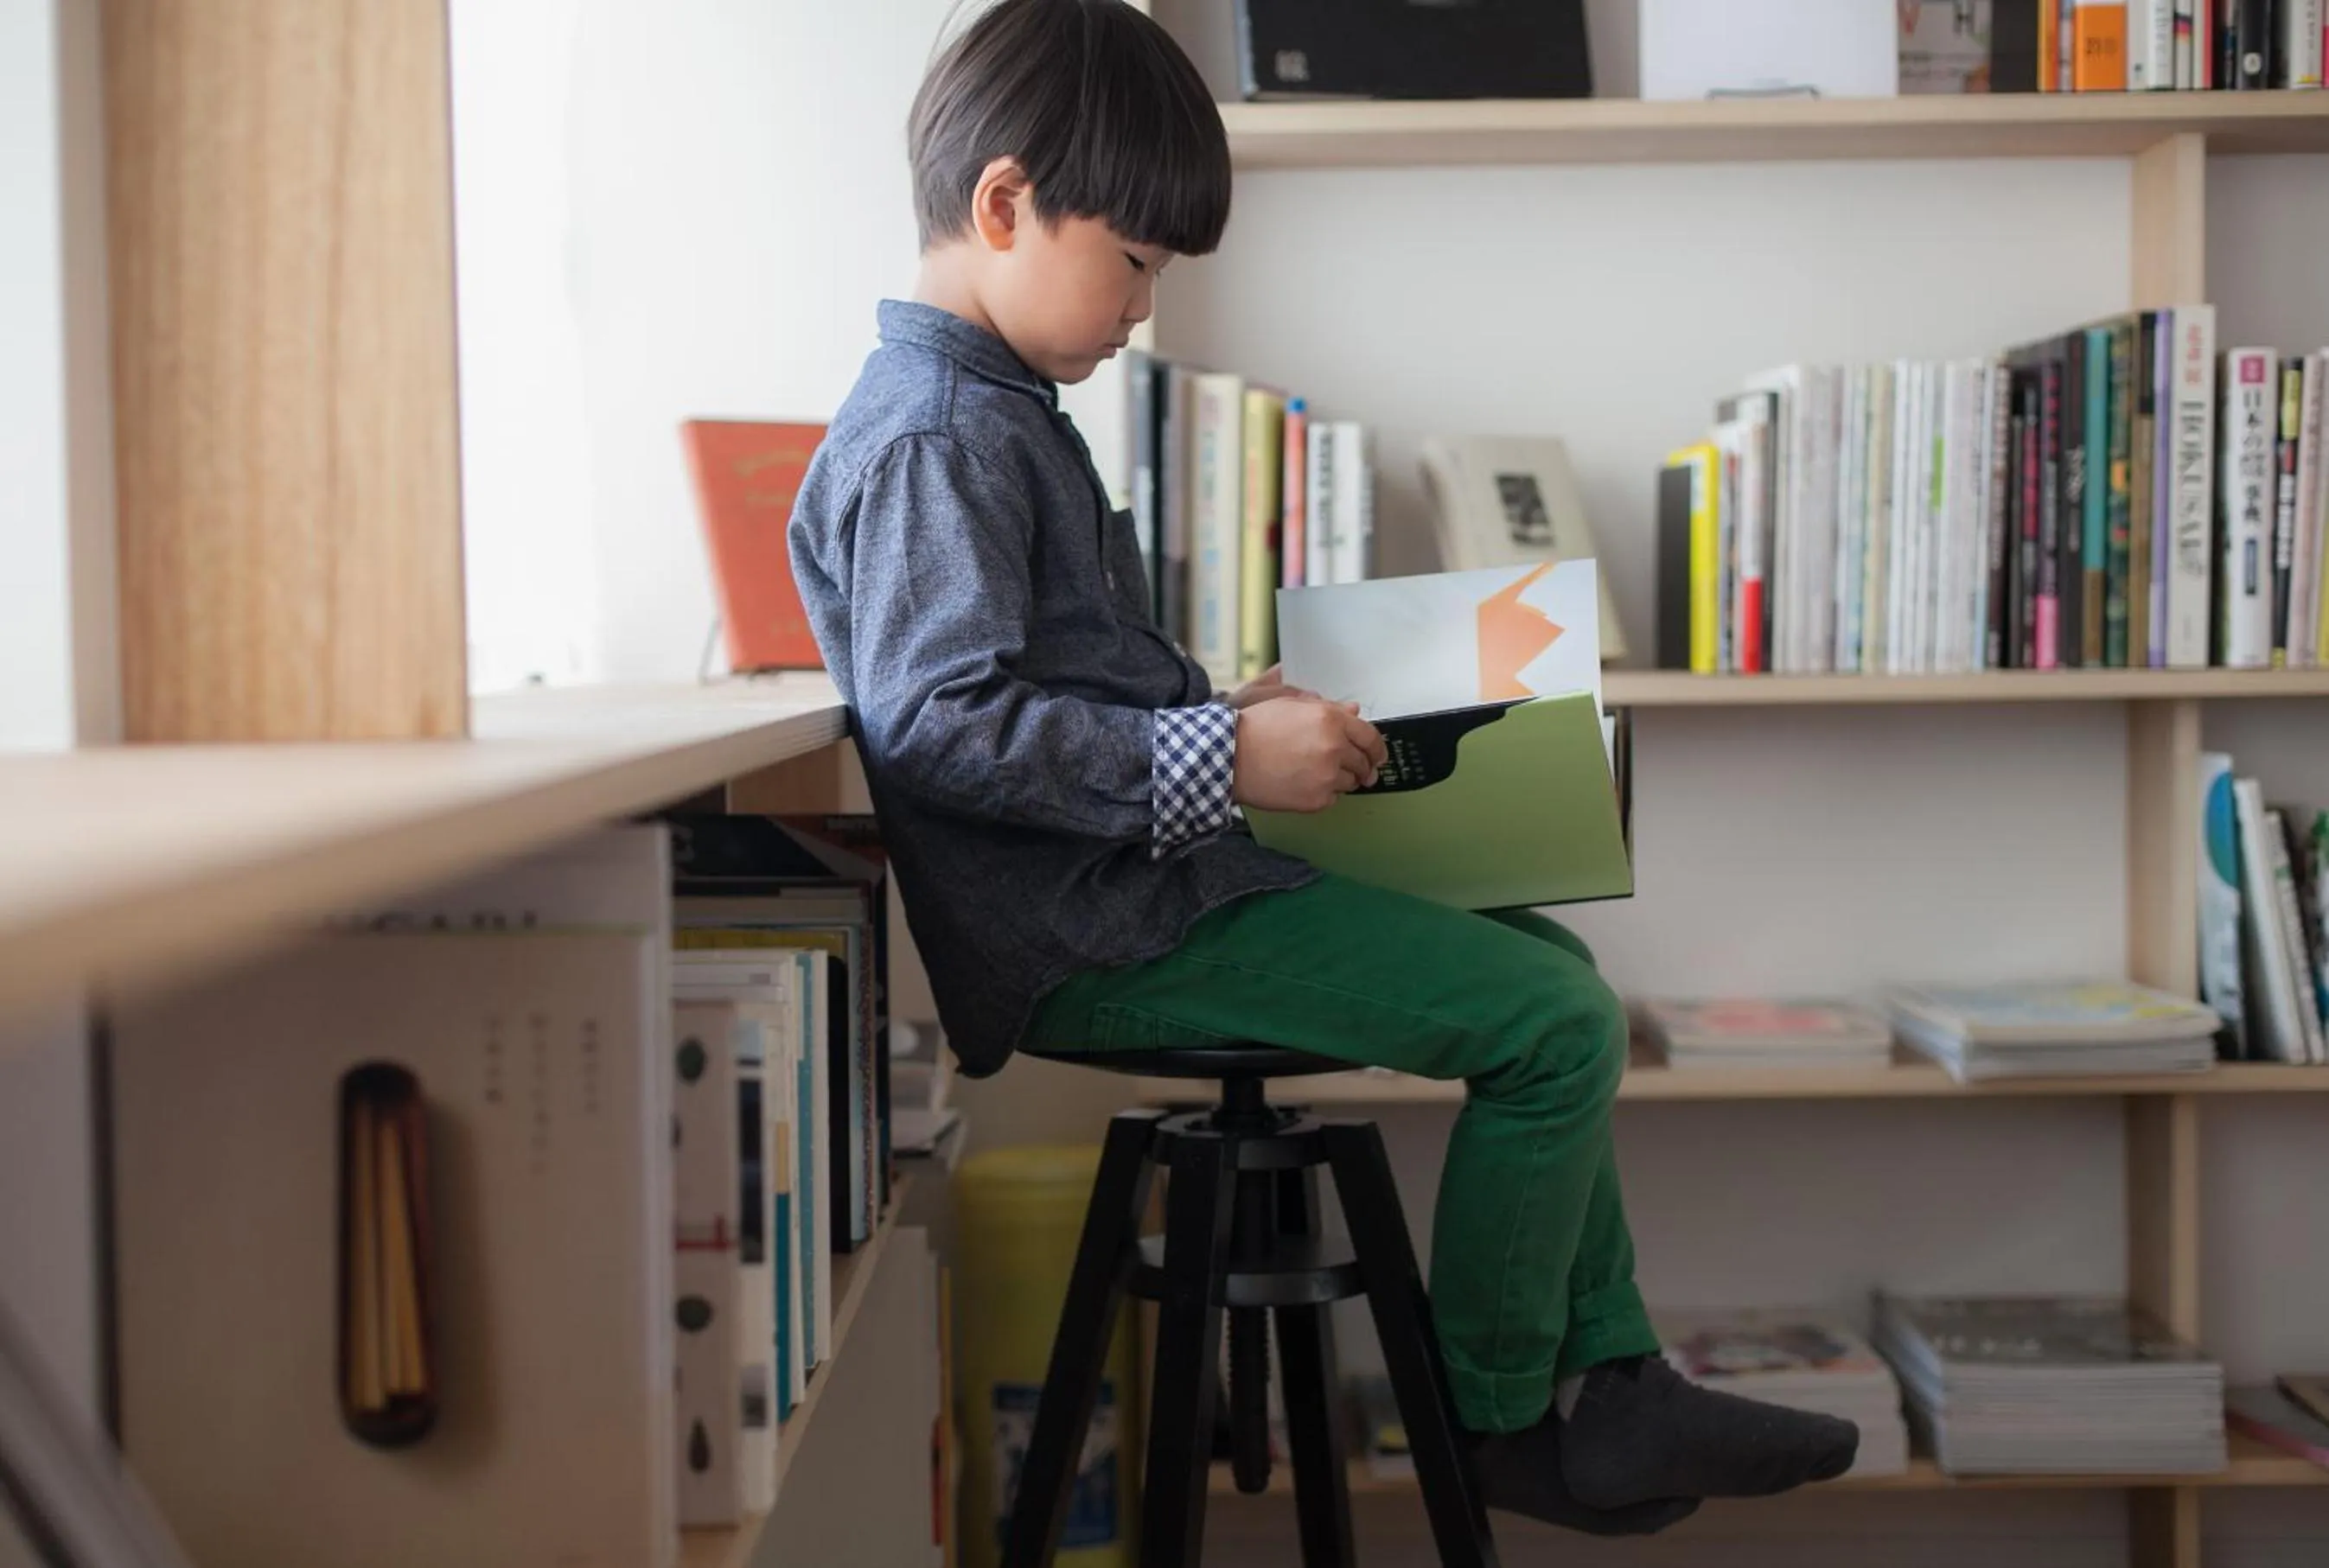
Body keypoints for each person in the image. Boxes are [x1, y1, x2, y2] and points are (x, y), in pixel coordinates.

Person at [788, 0, 1857, 1534]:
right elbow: (941, 726)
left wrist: (1231, 714)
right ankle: (1507, 1421)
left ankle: (1613, 1375)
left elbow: (1038, 686)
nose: (1144, 309)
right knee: (1553, 1020)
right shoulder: (937, 435)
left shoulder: (996, 412)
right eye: (1137, 262)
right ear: (1004, 204)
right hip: (1092, 934)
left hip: (1136, 882)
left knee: (1545, 957)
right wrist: (1217, 753)